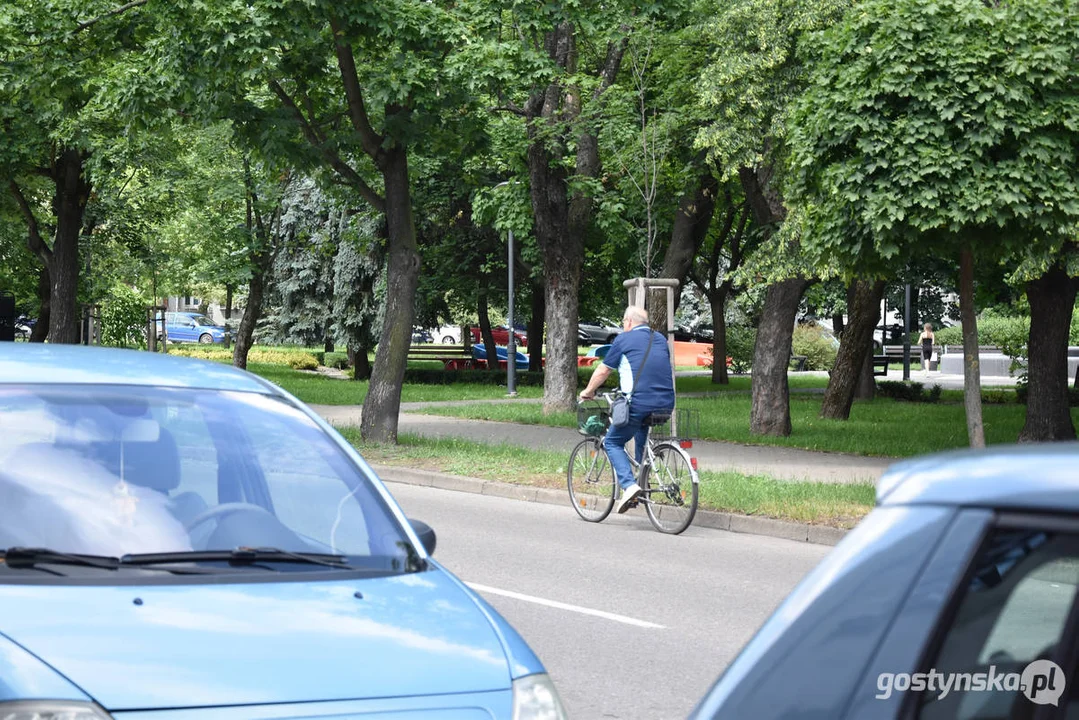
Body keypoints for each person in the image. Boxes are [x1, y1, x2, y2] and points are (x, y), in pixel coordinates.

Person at [578, 306, 675, 514]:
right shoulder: (660, 339)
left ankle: (629, 486)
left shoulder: (623, 340)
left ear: (629, 322)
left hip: (638, 403)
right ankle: (642, 485)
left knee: (612, 441)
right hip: (666, 403)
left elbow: (604, 370)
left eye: (623, 322)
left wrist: (587, 391)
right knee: (641, 436)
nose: (623, 325)